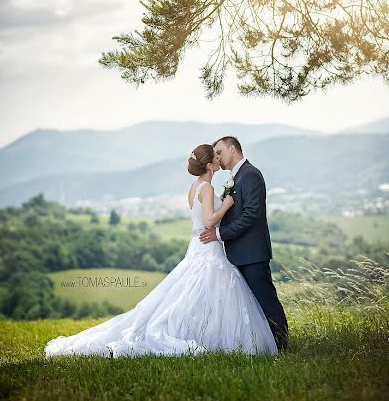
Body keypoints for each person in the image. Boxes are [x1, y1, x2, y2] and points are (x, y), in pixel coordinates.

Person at [45, 143, 278, 358]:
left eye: (220, 154)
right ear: (209, 165)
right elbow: (208, 222)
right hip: (208, 248)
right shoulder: (206, 188)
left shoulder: (195, 187)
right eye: (215, 156)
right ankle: (209, 335)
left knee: (196, 295)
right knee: (206, 294)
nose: (219, 159)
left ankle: (204, 331)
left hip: (199, 247)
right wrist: (226, 204)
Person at [200, 136, 288, 351]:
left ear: (233, 149)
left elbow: (250, 215)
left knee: (265, 301)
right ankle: (261, 344)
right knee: (250, 304)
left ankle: (282, 345)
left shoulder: (250, 175)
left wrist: (220, 234)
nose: (217, 157)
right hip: (238, 253)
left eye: (219, 152)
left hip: (252, 253)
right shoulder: (235, 177)